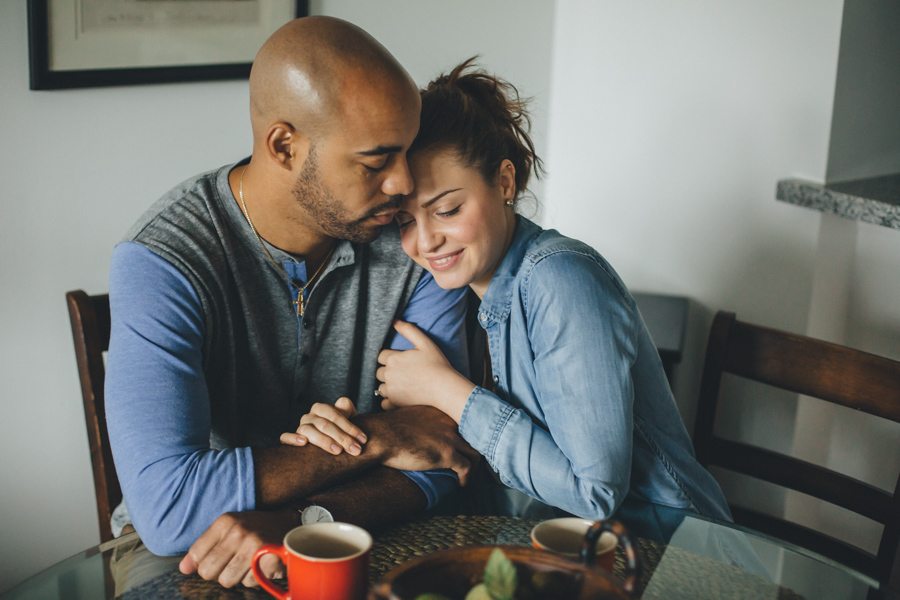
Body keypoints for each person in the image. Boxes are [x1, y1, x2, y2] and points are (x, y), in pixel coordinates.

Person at [104, 17, 479, 590]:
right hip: (198, 542)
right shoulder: (163, 261)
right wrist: (380, 437)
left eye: (407, 149)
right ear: (284, 146)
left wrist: (303, 521)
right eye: (377, 161)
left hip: (366, 518)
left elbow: (442, 452)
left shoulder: (417, 242)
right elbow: (167, 508)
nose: (404, 183)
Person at [290, 59, 732, 541]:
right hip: (554, 556)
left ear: (505, 182)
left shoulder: (561, 280)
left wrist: (447, 392)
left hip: (672, 559)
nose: (427, 241)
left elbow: (595, 493)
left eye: (448, 210)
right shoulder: (465, 292)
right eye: (406, 222)